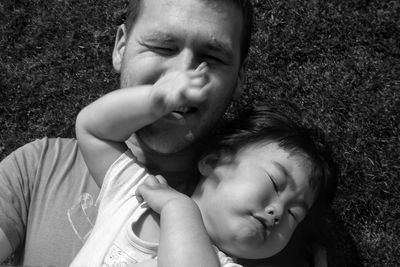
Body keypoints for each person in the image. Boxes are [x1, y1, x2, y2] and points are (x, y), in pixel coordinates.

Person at [0, 0, 253, 265]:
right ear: (121, 47)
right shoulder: (40, 167)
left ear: (239, 78)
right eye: (163, 47)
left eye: (212, 57)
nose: (182, 73)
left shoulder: (261, 220)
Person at [70, 63, 337, 267]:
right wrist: (154, 101)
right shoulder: (136, 195)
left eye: (294, 215)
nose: (278, 211)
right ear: (212, 161)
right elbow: (92, 130)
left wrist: (179, 209)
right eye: (275, 183)